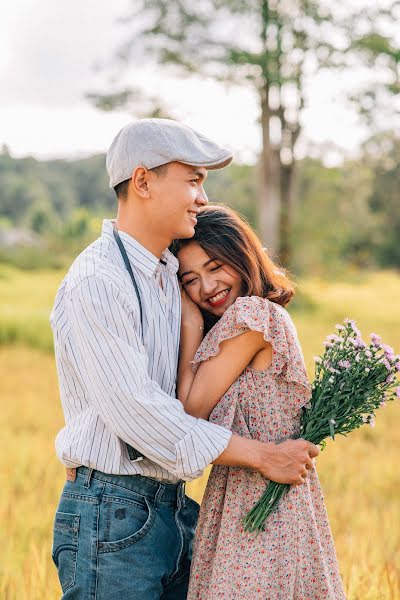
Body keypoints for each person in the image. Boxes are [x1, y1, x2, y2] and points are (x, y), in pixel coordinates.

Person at [50, 118, 319, 600]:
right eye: (192, 180)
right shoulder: (99, 279)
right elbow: (140, 414)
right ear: (143, 181)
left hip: (174, 507)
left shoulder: (171, 276)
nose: (202, 197)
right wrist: (264, 455)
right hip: (114, 513)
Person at [173, 204, 346, 600]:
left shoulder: (251, 317)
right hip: (262, 496)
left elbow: (189, 412)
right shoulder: (262, 318)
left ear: (241, 255)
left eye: (216, 266)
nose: (206, 286)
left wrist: (189, 322)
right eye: (190, 280)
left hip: (257, 507)